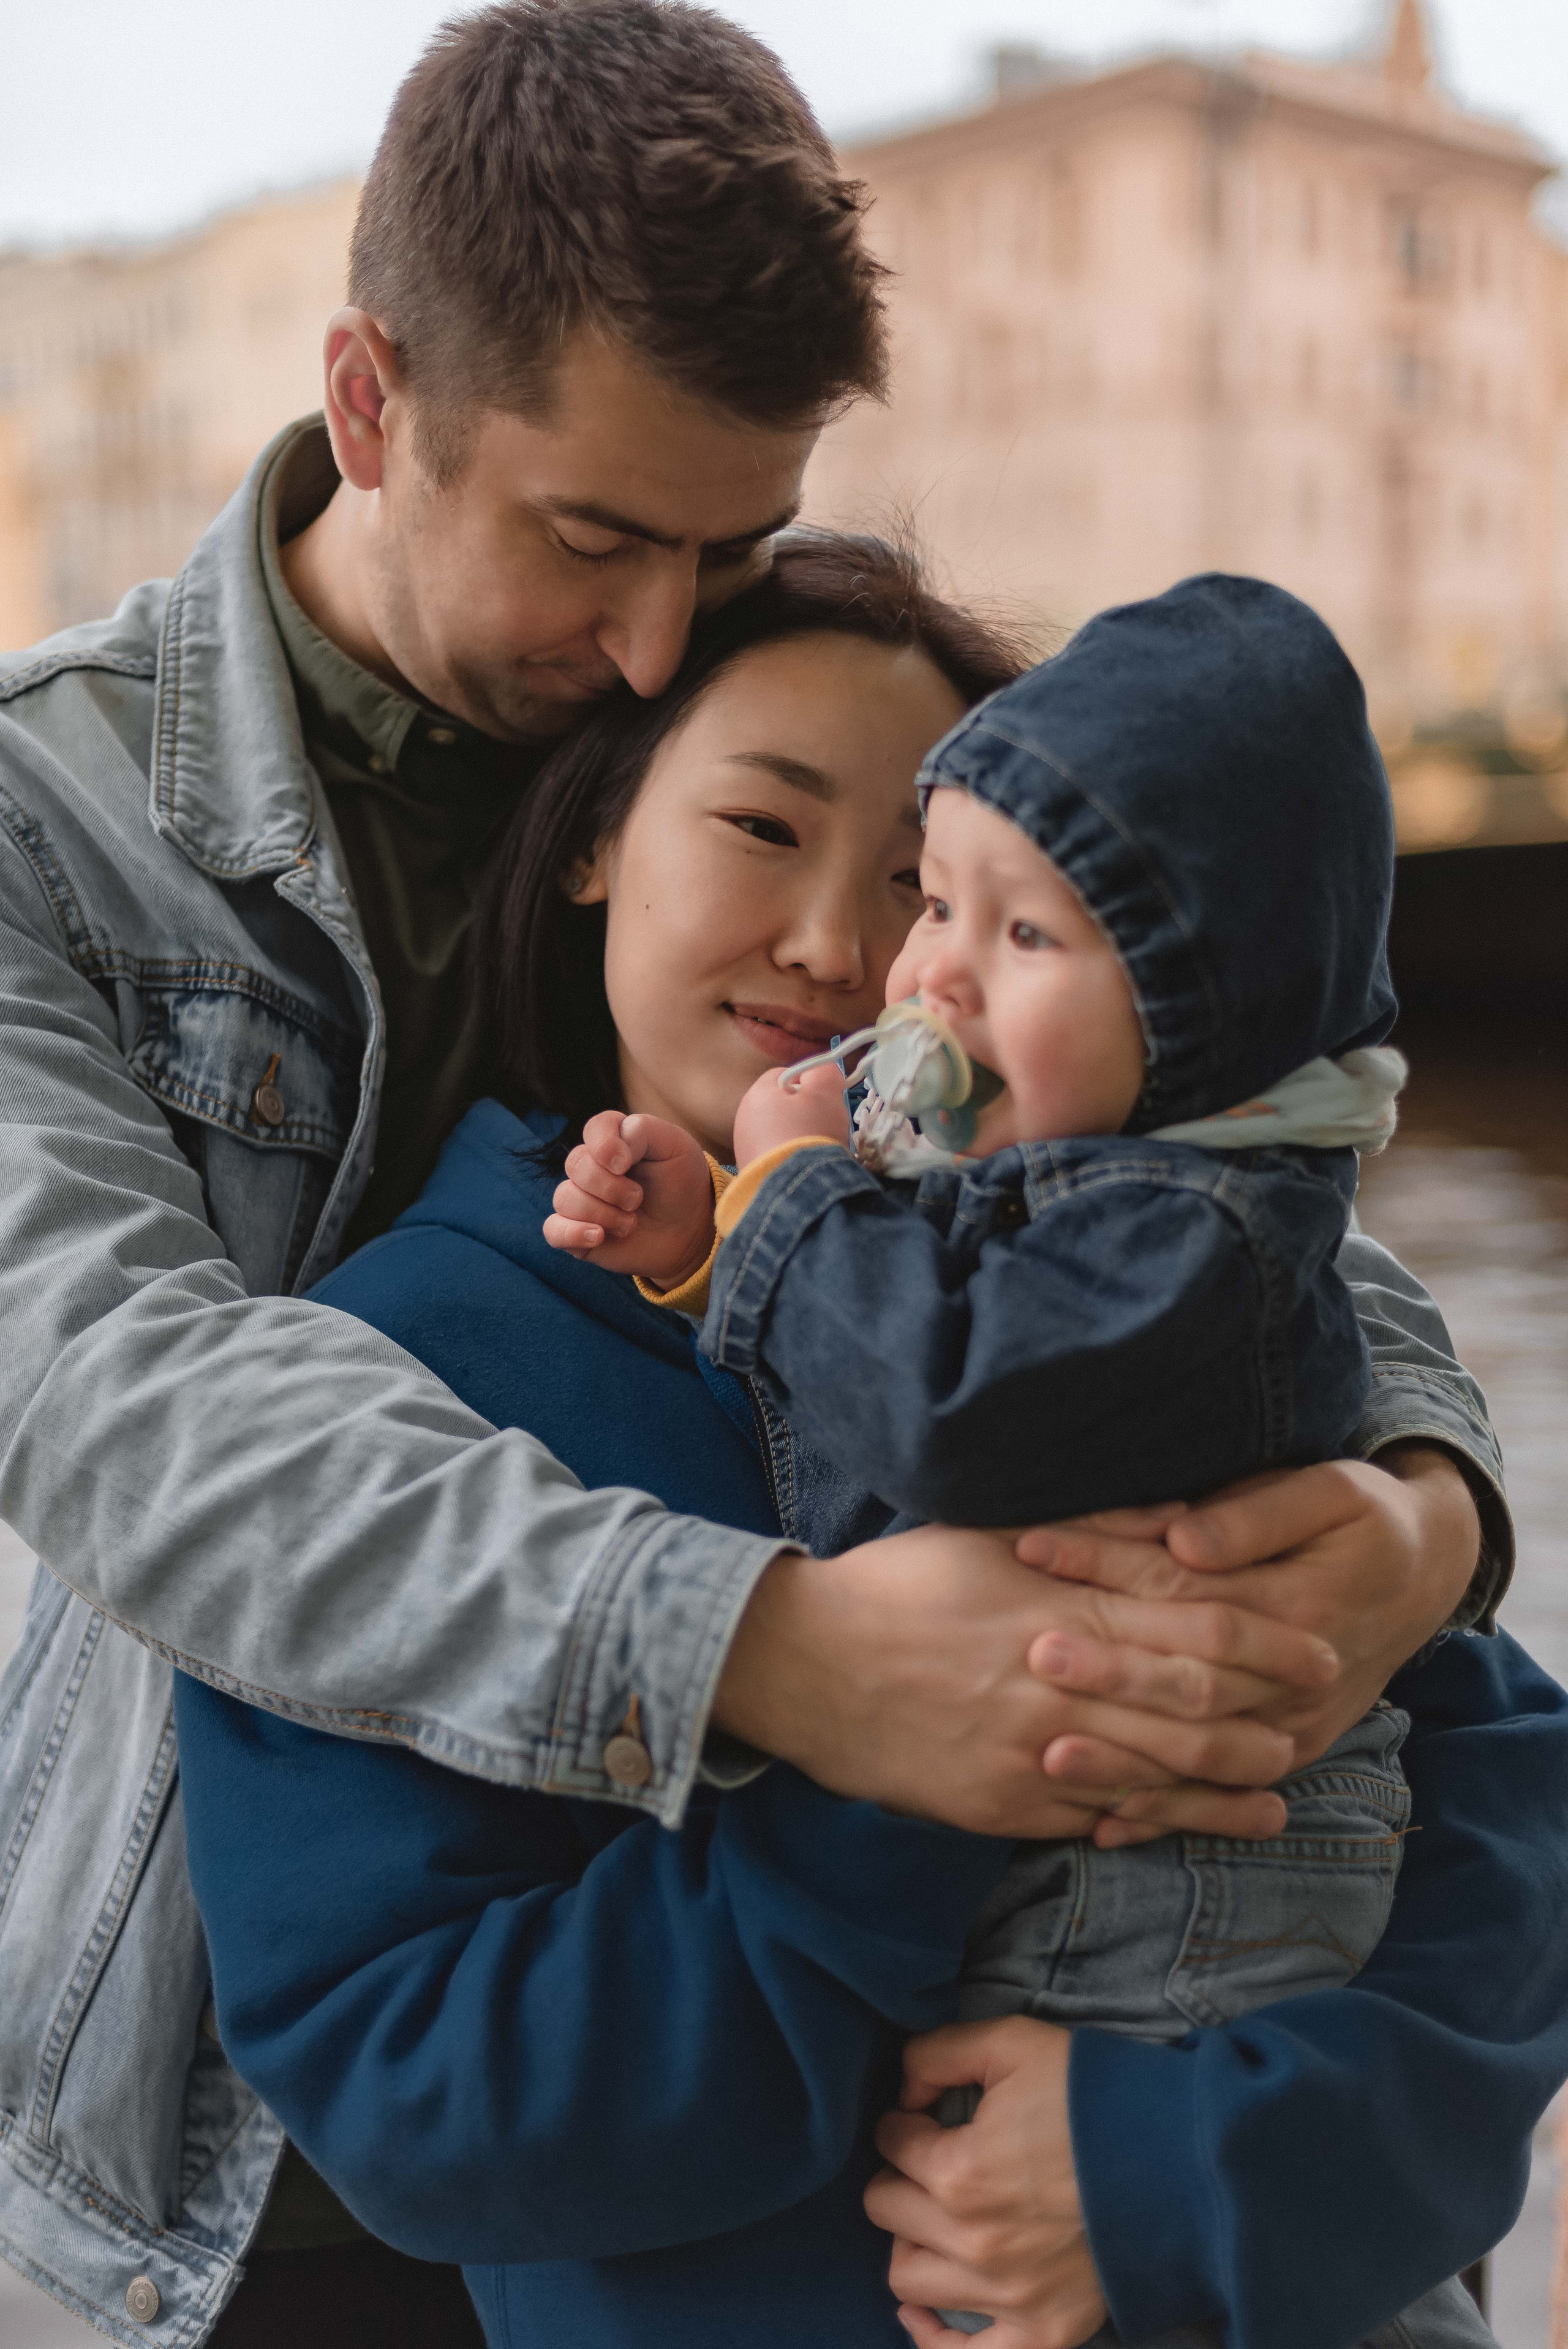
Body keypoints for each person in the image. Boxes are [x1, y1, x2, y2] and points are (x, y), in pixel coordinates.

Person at [0, 4, 1534, 2343]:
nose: (650, 635)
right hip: (248, 2159)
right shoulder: (45, 819)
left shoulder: (750, 725)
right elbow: (123, 1402)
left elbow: (1208, 1151)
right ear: (369, 399)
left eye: (720, 552)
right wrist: (814, 1672)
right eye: (596, 538)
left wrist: (1422, 1504)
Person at [175, 543, 1568, 2349]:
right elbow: (414, 2092)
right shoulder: (391, 1374)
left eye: (943, 888)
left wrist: (1172, 2176)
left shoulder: (1178, 1313)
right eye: (761, 829)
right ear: (595, 836)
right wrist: (905, 1770)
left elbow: (1502, 1820)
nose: (851, 952)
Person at [547, 570, 1502, 2343]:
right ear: (594, 834)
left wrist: (783, 1200)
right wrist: (705, 1249)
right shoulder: (1078, 1182)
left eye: (1021, 934)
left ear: (1206, 1014)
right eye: (944, 900)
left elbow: (944, 1400)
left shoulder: (1175, 1224)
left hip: (1169, 1882)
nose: (892, 965)